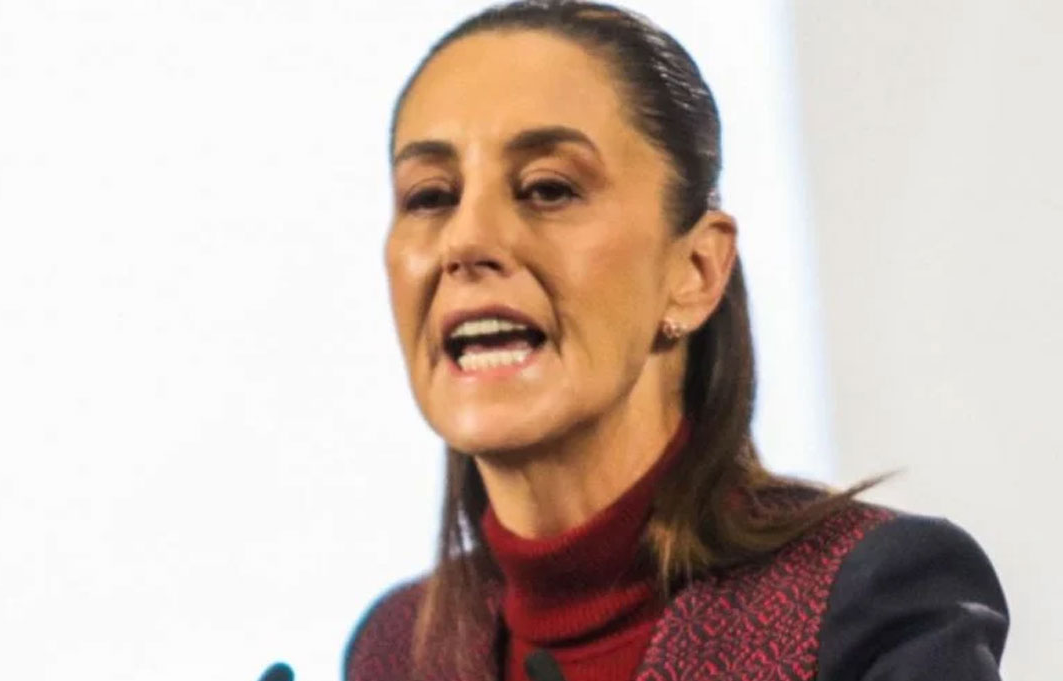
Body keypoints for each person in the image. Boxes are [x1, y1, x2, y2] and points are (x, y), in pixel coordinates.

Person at [344, 2, 1009, 680]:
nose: (466, 240)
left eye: (547, 188)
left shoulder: (872, 599)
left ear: (695, 271)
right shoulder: (394, 651)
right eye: (430, 197)